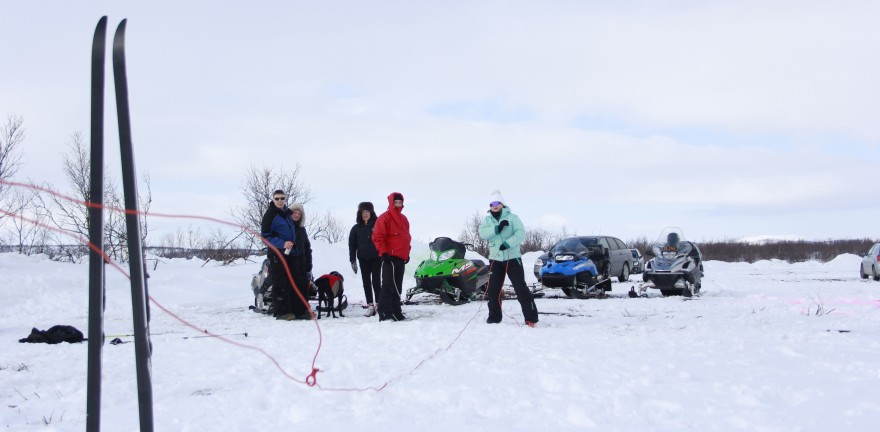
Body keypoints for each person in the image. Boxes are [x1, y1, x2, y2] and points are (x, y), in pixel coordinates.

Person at [478, 190, 539, 327]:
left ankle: (531, 318)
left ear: (502, 204)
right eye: (492, 203)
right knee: (493, 290)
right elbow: (482, 233)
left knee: (520, 288)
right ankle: (494, 317)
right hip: (495, 259)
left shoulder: (513, 218)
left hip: (513, 259)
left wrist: (507, 243)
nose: (494, 206)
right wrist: (497, 228)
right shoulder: (487, 220)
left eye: (497, 203)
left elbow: (520, 233)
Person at [260, 190, 313, 321]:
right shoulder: (270, 215)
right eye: (277, 198)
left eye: (282, 198)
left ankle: (298, 310)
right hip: (277, 253)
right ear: (273, 199)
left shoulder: (286, 214)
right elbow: (265, 237)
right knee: (281, 282)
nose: (280, 200)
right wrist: (282, 243)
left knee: (295, 281)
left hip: (291, 254)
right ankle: (282, 312)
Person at [371, 192, 411, 322]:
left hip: (401, 257)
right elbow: (378, 237)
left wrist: (407, 253)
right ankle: (384, 311)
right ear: (391, 203)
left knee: (397, 286)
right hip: (389, 257)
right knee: (388, 285)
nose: (398, 204)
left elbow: (406, 238)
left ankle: (395, 310)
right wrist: (383, 253)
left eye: (400, 202)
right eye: (396, 202)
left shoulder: (404, 219)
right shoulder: (384, 218)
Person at [348, 202, 381, 317]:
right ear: (359, 214)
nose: (365, 214)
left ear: (371, 213)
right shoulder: (356, 228)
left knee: (376, 282)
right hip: (363, 259)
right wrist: (352, 260)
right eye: (363, 212)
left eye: (367, 211)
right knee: (366, 283)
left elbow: (382, 239)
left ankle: (379, 305)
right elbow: (352, 245)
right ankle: (370, 306)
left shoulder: (377, 225)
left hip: (376, 258)